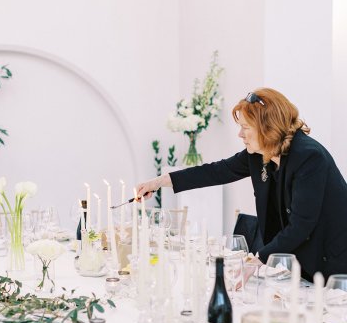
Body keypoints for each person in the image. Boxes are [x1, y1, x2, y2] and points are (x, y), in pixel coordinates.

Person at [137, 88, 347, 281]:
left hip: (333, 266)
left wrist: (256, 260)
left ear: (267, 128)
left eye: (245, 127)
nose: (240, 134)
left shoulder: (310, 157)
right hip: (300, 265)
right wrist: (159, 182)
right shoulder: (257, 155)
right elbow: (216, 171)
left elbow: (301, 225)